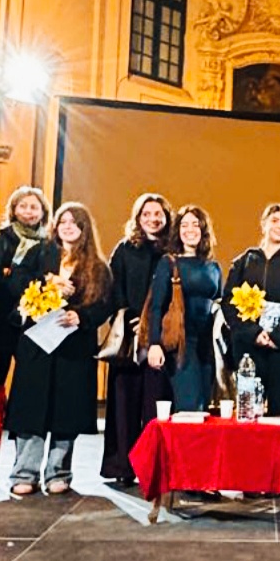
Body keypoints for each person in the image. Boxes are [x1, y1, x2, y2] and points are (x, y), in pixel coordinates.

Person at [7, 202, 112, 496]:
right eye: (63, 221)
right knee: (31, 409)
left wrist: (83, 316)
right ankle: (24, 473)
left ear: (84, 228)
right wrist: (46, 284)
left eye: (74, 222)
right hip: (38, 344)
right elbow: (16, 282)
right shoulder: (40, 253)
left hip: (73, 348)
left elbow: (105, 304)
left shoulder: (97, 266)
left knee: (67, 412)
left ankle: (59, 473)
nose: (68, 227)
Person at [0, 185, 53, 485]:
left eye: (34, 207)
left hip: (32, 327)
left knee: (28, 394)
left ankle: (24, 464)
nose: (29, 212)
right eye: (23, 206)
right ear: (13, 210)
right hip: (2, 325)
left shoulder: (49, 245)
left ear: (43, 212)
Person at [99, 192, 172, 486]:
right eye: (146, 214)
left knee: (156, 406)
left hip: (161, 339)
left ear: (167, 218)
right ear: (138, 218)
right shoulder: (124, 249)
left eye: (158, 214)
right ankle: (123, 466)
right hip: (129, 338)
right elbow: (113, 288)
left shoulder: (173, 251)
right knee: (124, 404)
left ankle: (154, 466)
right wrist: (131, 318)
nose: (153, 219)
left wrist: (157, 327)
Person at [223, 203, 280, 419]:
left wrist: (278, 337)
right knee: (248, 412)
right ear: (264, 224)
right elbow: (229, 303)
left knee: (279, 413)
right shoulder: (243, 261)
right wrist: (253, 333)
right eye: (275, 220)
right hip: (248, 348)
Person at [147, 205, 222, 411]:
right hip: (180, 344)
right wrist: (154, 344)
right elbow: (156, 306)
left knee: (205, 407)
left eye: (195, 225)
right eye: (184, 225)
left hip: (207, 346)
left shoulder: (213, 267)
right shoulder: (169, 263)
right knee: (190, 407)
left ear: (203, 230)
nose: (190, 230)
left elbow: (219, 304)